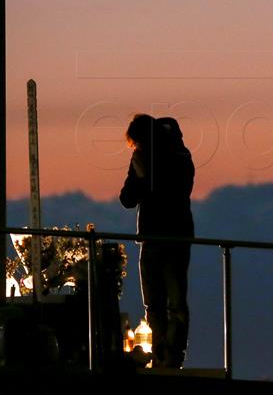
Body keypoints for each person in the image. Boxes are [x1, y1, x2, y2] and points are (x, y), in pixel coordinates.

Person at [119, 114, 195, 369]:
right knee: (155, 304)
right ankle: (162, 356)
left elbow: (172, 191)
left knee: (175, 303)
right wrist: (140, 177)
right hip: (152, 238)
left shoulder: (179, 158)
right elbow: (127, 198)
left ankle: (173, 357)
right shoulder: (143, 160)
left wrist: (145, 178)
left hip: (171, 238)